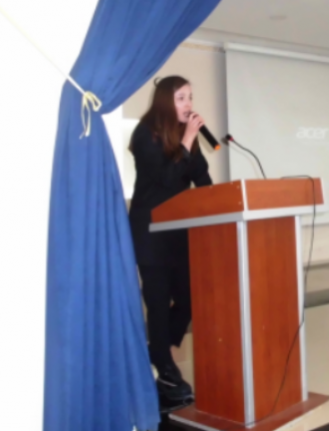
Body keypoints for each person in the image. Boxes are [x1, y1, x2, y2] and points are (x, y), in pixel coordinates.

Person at [127, 76, 212, 406]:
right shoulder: (145, 133)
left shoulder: (184, 135)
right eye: (181, 98)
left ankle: (157, 351)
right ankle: (164, 365)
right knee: (159, 302)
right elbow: (165, 178)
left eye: (190, 97)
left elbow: (201, 177)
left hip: (179, 232)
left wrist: (220, 202)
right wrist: (188, 139)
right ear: (166, 100)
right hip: (150, 232)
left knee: (190, 299)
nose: (189, 104)